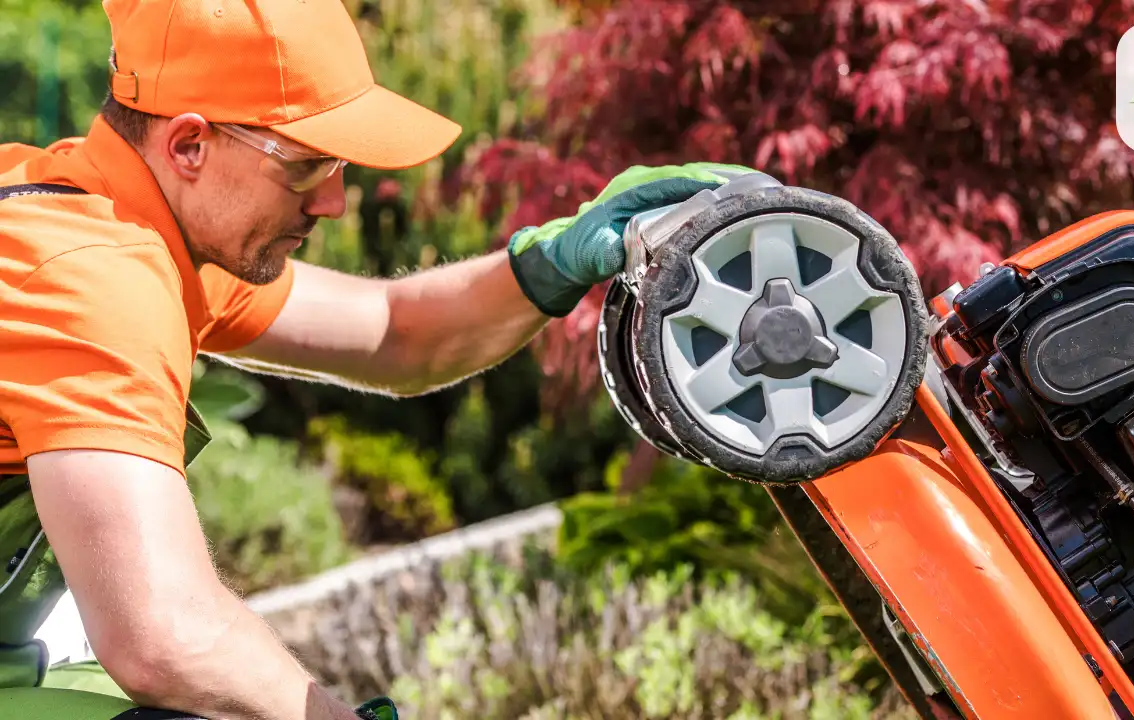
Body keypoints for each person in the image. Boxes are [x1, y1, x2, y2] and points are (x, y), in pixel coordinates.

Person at [0, 0, 752, 718]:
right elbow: (166, 635)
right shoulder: (91, 278)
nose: (333, 203)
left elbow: (393, 333)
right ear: (189, 145)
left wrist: (552, 262)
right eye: (306, 165)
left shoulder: (108, 218)